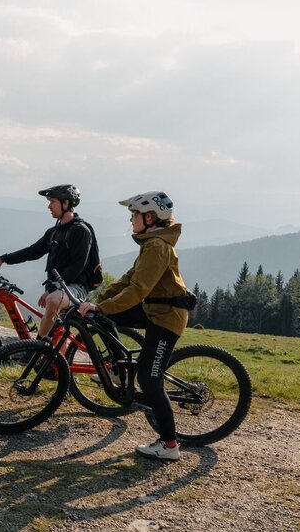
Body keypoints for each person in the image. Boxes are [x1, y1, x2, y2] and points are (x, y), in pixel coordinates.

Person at [78, 191, 190, 461]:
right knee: (102, 318)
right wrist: (97, 301)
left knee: (149, 379)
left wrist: (102, 307)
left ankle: (170, 445)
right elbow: (128, 279)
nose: (131, 220)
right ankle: (117, 370)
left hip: (166, 317)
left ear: (150, 217)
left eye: (134, 215)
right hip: (154, 308)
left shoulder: (158, 247)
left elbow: (138, 290)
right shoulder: (151, 243)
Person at [0, 184, 93, 341]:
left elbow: (77, 267)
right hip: (60, 287)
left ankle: (37, 351)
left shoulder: (80, 231)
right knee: (58, 331)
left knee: (53, 300)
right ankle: (55, 363)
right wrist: (4, 258)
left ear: (66, 203)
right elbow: (32, 251)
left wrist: (54, 288)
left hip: (76, 288)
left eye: (53, 201)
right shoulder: (54, 232)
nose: (49, 206)